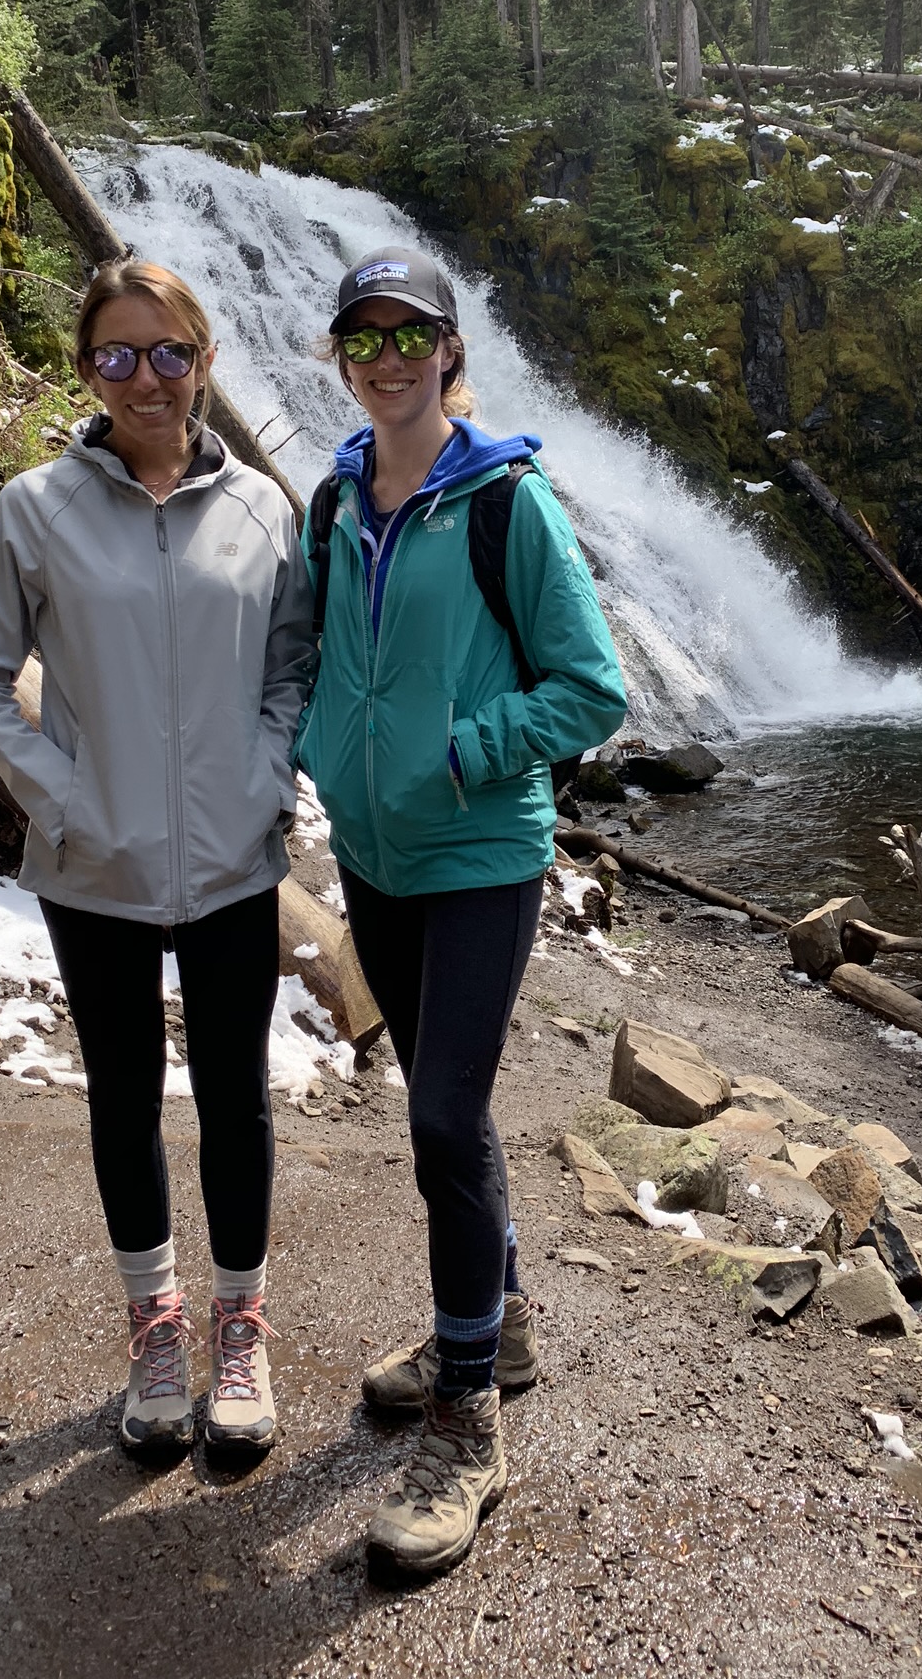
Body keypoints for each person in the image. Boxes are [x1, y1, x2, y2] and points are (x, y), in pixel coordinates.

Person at [0, 257, 313, 1463]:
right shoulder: (34, 508)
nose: (144, 377)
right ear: (86, 367)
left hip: (233, 858)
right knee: (123, 1095)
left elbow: (292, 667)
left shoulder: (262, 509)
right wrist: (65, 796)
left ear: (204, 360)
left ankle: (240, 1332)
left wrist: (265, 776)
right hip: (92, 862)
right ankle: (156, 1332)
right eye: (117, 353)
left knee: (236, 1096)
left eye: (168, 352)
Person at [296, 246, 628, 1575]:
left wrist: (463, 753)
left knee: (440, 1113)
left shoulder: (506, 502)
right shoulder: (335, 498)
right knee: (450, 1110)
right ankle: (502, 1316)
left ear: (448, 349)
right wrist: (324, 754)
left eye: (408, 333)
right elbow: (320, 655)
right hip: (375, 856)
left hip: (483, 851)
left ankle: (468, 1422)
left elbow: (591, 687)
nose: (385, 357)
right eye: (362, 336)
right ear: (342, 356)